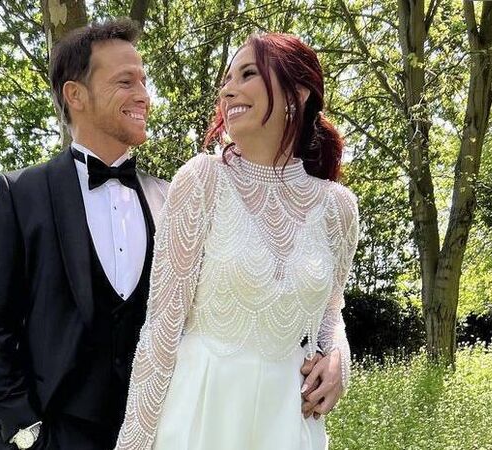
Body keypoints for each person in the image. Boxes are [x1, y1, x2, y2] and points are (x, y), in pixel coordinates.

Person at [115, 32, 359, 450]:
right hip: (201, 417)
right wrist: (133, 444)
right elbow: (160, 330)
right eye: (227, 79)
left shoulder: (338, 207)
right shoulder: (203, 180)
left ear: (298, 93)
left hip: (289, 424)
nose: (228, 90)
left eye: (248, 74)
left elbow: (329, 315)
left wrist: (339, 358)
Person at [0, 19, 169, 450]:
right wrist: (25, 430)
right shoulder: (20, 193)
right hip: (50, 434)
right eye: (125, 81)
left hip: (148, 434)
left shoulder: (169, 198)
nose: (143, 95)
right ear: (75, 95)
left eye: (143, 81)